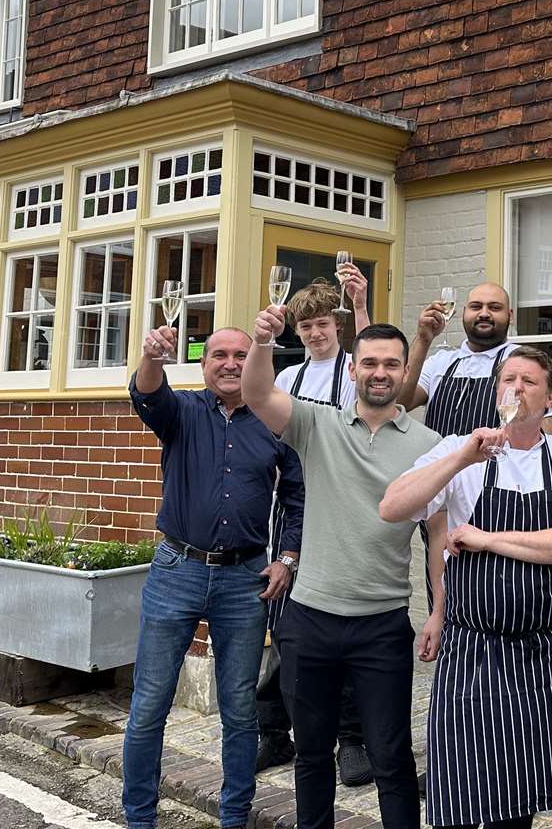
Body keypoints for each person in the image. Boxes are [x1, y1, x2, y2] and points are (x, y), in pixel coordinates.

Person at [380, 347, 552, 829]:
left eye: (529, 382)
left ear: (550, 397)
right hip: (471, 645)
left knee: (518, 802)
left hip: (541, 651)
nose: (516, 388)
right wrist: (460, 458)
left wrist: (485, 538)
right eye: (508, 379)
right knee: (459, 790)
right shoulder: (460, 450)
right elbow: (392, 507)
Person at [242, 310, 440, 829]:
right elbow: (259, 396)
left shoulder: (428, 446)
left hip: (383, 624)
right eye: (370, 362)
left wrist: (439, 611)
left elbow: (438, 536)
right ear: (352, 369)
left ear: (404, 373)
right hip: (310, 620)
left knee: (392, 758)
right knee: (311, 756)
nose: (380, 372)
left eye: (391, 364)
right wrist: (262, 341)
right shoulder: (317, 423)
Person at [123, 326, 304, 829]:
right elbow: (147, 395)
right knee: (150, 704)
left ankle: (234, 817)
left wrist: (287, 558)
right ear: (203, 366)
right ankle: (139, 819)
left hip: (246, 579)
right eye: (219, 355)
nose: (229, 363)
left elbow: (295, 497)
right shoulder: (181, 412)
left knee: (240, 710)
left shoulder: (275, 421)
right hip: (176, 571)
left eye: (240, 356)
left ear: (254, 365)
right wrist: (152, 357)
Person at [394, 282, 552, 663]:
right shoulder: (441, 361)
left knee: (493, 582)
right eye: (476, 306)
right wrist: (421, 339)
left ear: (510, 317)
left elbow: (547, 432)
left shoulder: (523, 363)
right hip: (443, 480)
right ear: (463, 313)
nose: (484, 313)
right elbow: (399, 404)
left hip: (498, 490)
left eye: (495, 307)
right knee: (442, 574)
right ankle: (453, 659)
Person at [257, 268, 374, 784]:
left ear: (338, 324)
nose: (315, 334)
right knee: (286, 625)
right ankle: (274, 732)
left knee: (342, 623)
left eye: (323, 324)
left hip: (343, 503)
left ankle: (351, 740)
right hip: (292, 503)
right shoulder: (287, 378)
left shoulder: (355, 370)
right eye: (305, 328)